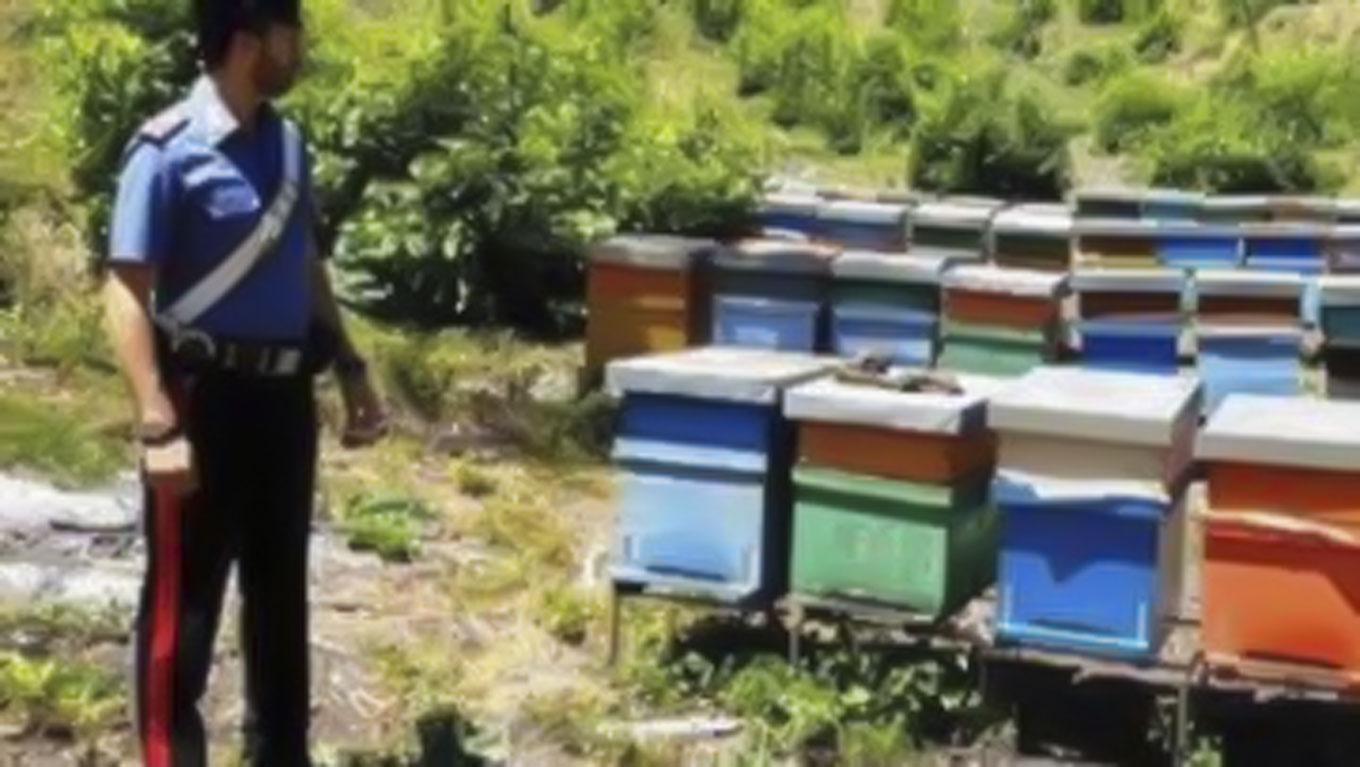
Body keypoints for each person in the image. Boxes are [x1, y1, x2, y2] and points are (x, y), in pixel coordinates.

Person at [101, 0, 386, 764]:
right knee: (185, 607)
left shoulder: (289, 148)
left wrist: (352, 368)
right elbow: (126, 290)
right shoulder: (166, 151)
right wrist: (157, 421)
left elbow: (304, 265)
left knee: (279, 599)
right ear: (246, 41)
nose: (302, 50)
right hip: (203, 399)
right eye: (292, 35)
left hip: (283, 402)